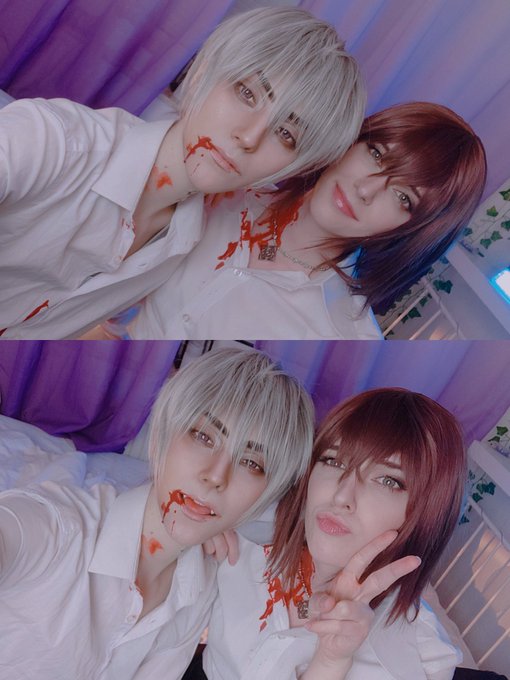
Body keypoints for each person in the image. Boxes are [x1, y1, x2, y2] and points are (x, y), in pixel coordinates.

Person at [0, 7, 365, 339]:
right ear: (203, 71)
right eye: (247, 94)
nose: (249, 137)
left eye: (286, 134)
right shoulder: (52, 141)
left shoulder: (186, 242)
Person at [0, 347, 315, 679]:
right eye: (204, 437)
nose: (216, 476)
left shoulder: (199, 588)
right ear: (163, 434)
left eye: (251, 463)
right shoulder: (58, 527)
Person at [122, 101, 486, 340]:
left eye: (403, 197)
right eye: (376, 154)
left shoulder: (344, 335)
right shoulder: (226, 187)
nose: (366, 189)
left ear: (412, 230)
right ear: (352, 142)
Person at [188, 387, 466, 680]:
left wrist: (330, 664)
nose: (342, 496)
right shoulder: (246, 534)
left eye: (387, 480)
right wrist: (195, 533)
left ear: (426, 513)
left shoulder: (416, 659)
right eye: (334, 461)